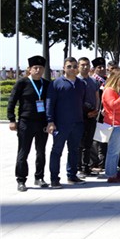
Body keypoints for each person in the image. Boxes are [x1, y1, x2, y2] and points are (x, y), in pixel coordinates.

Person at [8, 55, 51, 191]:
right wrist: (12, 120)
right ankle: (21, 180)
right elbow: (12, 101)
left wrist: (50, 122)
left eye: (40, 68)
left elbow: (51, 104)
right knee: (23, 152)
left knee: (41, 152)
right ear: (29, 69)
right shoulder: (22, 83)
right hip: (25, 122)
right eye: (35, 68)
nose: (38, 70)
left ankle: (39, 177)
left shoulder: (47, 84)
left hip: (42, 123)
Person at [46, 57, 87, 188]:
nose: (72, 69)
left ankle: (72, 175)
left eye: (75, 66)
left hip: (77, 123)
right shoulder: (56, 83)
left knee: (74, 150)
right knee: (57, 151)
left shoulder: (81, 84)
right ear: (64, 67)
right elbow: (50, 103)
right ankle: (54, 178)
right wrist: (50, 121)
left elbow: (82, 102)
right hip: (61, 124)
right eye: (69, 66)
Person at [101, 68, 120, 183]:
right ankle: (111, 174)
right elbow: (113, 105)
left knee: (117, 150)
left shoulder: (118, 91)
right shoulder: (109, 91)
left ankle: (113, 171)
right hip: (114, 125)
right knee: (113, 151)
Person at [77, 57, 100, 178]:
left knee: (88, 143)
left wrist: (96, 110)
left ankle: (87, 167)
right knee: (80, 144)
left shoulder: (93, 81)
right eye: (82, 65)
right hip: (80, 117)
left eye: (87, 65)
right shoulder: (76, 81)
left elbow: (97, 97)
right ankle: (79, 167)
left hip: (92, 116)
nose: (85, 67)